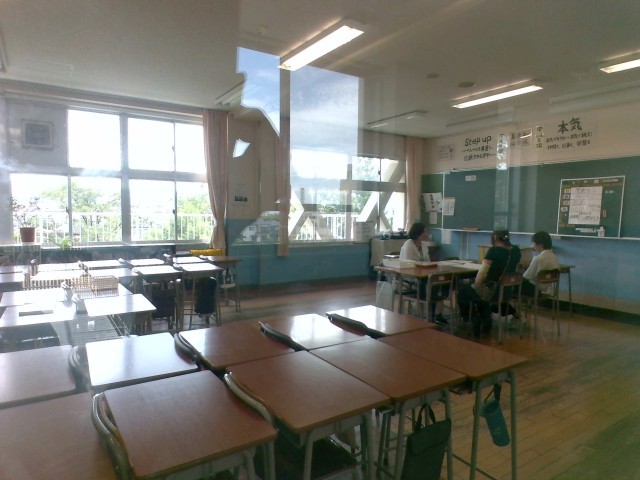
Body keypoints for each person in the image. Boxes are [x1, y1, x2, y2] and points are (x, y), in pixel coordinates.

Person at [458, 229, 521, 336]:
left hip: (492, 292)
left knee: (463, 291)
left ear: (495, 237)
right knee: (479, 294)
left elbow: (481, 275)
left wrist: (476, 286)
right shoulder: (516, 250)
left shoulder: (494, 251)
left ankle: (473, 319)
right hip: (507, 291)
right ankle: (485, 320)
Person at [400, 222, 448, 325]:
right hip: (411, 277)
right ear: (417, 233)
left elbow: (427, 260)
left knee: (436, 281)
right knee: (431, 285)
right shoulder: (408, 246)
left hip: (424, 275)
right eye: (424, 232)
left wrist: (429, 265)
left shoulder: (424, 245)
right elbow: (407, 263)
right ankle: (432, 312)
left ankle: (435, 312)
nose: (426, 234)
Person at [521, 231, 560, 297]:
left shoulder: (538, 258)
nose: (532, 246)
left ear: (540, 245)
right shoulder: (554, 257)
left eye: (533, 243)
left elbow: (525, 277)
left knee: (515, 283)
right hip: (546, 289)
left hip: (535, 290)